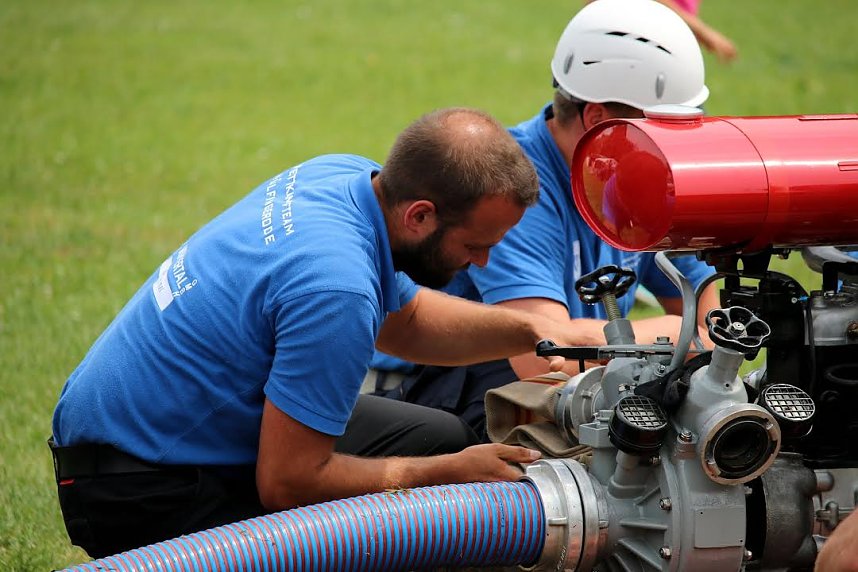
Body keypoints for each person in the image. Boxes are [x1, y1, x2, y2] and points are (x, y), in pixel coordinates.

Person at [49, 107, 602, 558]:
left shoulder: (341, 177)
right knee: (428, 499)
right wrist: (446, 476)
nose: (482, 264)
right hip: (137, 491)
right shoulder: (337, 290)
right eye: (474, 245)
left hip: (137, 438)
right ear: (420, 217)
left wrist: (536, 330)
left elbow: (406, 323)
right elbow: (288, 484)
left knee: (436, 435)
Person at [370, 0, 721, 440]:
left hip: (582, 391)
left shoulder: (642, 178)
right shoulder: (512, 190)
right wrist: (679, 335)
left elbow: (714, 327)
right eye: (661, 128)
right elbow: (543, 355)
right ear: (598, 119)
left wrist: (668, 337)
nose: (673, 148)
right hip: (463, 404)